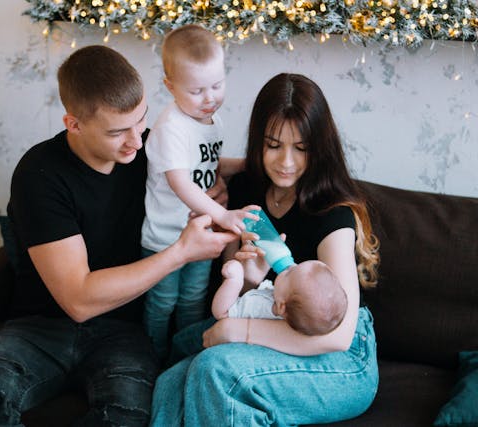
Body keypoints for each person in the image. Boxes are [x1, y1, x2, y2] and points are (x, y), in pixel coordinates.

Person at [0, 45, 239, 426]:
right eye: (118, 132)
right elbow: (78, 300)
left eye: (141, 121)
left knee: (128, 416)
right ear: (73, 124)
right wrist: (180, 253)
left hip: (124, 333)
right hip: (39, 327)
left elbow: (203, 167)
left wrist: (213, 187)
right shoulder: (39, 174)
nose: (136, 142)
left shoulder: (153, 149)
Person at [151, 73, 381, 426]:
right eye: (274, 145)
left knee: (217, 369)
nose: (286, 162)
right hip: (267, 323)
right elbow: (241, 298)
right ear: (258, 142)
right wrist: (248, 278)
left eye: (301, 148)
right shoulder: (245, 192)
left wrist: (237, 334)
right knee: (170, 382)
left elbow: (339, 334)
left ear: (318, 148)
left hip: (342, 356)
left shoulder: (332, 212)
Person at [141, 24, 252, 361]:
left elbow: (212, 166)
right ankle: (151, 358)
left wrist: (252, 164)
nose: (210, 98)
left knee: (193, 299)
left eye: (217, 86)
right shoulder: (171, 127)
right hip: (167, 238)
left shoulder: (210, 122)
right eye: (197, 90)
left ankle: (185, 356)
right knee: (162, 302)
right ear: (170, 86)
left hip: (201, 236)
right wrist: (222, 215)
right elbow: (182, 182)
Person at [212, 259, 347, 337]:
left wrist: (234, 280)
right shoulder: (282, 302)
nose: (290, 266)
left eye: (289, 273)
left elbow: (222, 313)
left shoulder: (260, 307)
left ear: (282, 306)